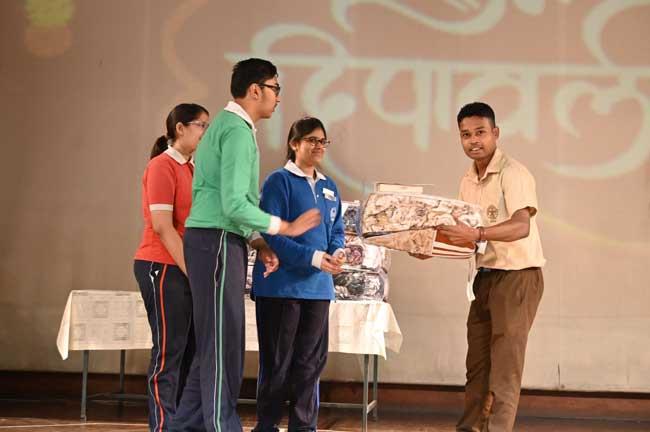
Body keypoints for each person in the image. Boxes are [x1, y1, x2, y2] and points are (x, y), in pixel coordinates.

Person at [175, 58, 321, 432]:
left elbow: (231, 199)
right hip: (216, 242)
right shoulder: (236, 131)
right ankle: (223, 426)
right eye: (275, 88)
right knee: (223, 347)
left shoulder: (229, 127)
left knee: (212, 345)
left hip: (217, 240)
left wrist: (258, 241)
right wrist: (284, 227)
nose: (278, 97)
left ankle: (184, 425)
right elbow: (233, 204)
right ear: (255, 90)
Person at [430, 102, 546, 431]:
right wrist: (429, 246)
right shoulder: (468, 179)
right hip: (485, 277)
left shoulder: (514, 173)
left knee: (505, 368)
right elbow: (465, 235)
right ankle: (470, 428)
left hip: (518, 277)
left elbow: (521, 225)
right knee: (477, 366)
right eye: (465, 135)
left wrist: (479, 233)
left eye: (480, 132)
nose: (473, 141)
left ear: (495, 133)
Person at [252, 117, 345, 432]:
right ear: (294, 144)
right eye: (311, 140)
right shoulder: (278, 182)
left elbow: (337, 231)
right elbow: (273, 234)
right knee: (277, 363)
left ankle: (304, 426)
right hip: (281, 288)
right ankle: (267, 425)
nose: (318, 146)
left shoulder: (330, 186)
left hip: (318, 289)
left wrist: (337, 252)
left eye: (322, 141)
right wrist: (314, 258)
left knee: (310, 364)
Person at [133, 103, 210, 432]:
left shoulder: (193, 169)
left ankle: (183, 425)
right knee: (169, 352)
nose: (205, 133)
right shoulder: (161, 166)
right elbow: (163, 227)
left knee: (191, 353)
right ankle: (163, 427)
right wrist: (194, 272)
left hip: (185, 266)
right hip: (162, 265)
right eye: (201, 125)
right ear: (180, 128)